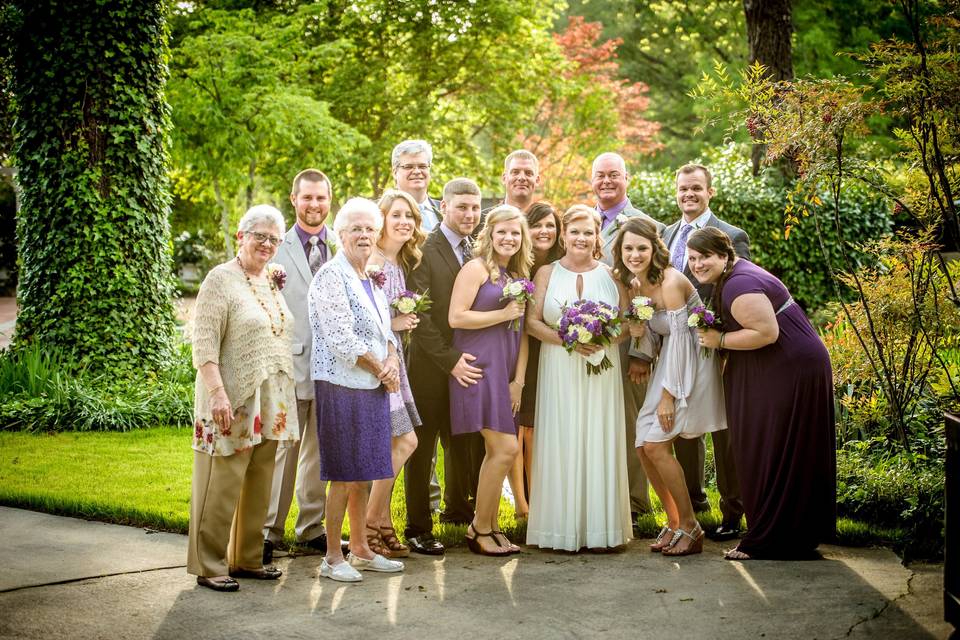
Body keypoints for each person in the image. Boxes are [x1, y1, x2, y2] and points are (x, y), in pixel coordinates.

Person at [687, 227, 836, 560]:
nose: (698, 264)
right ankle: (792, 535)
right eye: (693, 258)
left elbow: (767, 333)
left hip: (787, 369)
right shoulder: (732, 277)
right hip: (786, 367)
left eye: (705, 257)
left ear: (724, 255)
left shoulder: (739, 285)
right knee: (784, 447)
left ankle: (768, 538)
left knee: (769, 447)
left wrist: (719, 340)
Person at [188, 204, 300, 592]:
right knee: (222, 482)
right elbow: (202, 344)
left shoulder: (270, 279)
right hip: (232, 396)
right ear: (241, 236)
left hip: (269, 400)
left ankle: (248, 557)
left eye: (274, 239)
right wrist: (218, 394)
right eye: (260, 236)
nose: (267, 244)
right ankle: (209, 563)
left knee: (260, 480)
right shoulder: (220, 280)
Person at [612, 218, 727, 556]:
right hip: (668, 364)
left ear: (655, 249)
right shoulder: (635, 284)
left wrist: (668, 395)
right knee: (641, 445)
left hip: (691, 364)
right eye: (628, 248)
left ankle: (691, 526)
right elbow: (652, 333)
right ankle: (674, 521)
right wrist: (637, 336)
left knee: (657, 445)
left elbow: (679, 341)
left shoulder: (672, 282)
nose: (635, 254)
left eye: (641, 248)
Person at [309, 197, 405, 582]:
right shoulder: (331, 276)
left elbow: (386, 332)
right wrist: (383, 369)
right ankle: (333, 556)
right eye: (355, 229)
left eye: (369, 229)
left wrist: (392, 361)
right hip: (341, 385)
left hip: (372, 384)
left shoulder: (371, 277)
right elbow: (340, 338)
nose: (364, 235)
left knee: (365, 471)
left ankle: (361, 549)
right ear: (340, 234)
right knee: (345, 473)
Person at [525, 204, 632, 551]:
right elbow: (533, 322)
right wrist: (571, 340)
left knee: (599, 435)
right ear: (564, 235)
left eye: (588, 232)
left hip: (603, 367)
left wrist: (600, 339)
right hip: (559, 366)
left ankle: (602, 530)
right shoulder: (545, 272)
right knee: (562, 436)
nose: (581, 238)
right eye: (575, 231)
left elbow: (629, 321)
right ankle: (559, 529)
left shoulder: (612, 274)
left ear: (597, 236)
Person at [663, 163, 750, 541]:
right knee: (683, 427)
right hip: (674, 348)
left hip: (716, 348)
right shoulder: (665, 234)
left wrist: (714, 335)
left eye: (696, 188)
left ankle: (732, 512)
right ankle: (694, 507)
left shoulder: (732, 235)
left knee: (723, 432)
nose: (689, 195)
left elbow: (734, 291)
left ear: (710, 191)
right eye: (683, 189)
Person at [405, 178, 486, 556]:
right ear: (443, 207)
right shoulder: (425, 250)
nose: (470, 214)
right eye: (462, 207)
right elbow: (419, 317)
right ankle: (418, 527)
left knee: (464, 441)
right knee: (423, 449)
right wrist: (449, 360)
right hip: (430, 366)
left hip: (468, 364)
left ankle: (459, 512)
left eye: (475, 207)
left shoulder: (478, 249)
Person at [262, 169, 337, 565]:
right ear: (294, 199)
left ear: (330, 200)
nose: (314, 205)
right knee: (283, 449)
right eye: (306, 198)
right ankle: (268, 530)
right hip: (288, 364)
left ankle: (311, 527)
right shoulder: (276, 247)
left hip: (332, 367)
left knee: (319, 451)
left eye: (320, 198)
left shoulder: (342, 245)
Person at [448, 205, 532, 555]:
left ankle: (492, 525)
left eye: (516, 233)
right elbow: (456, 317)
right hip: (478, 367)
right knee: (506, 448)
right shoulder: (476, 268)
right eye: (503, 232)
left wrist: (519, 381)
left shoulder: (516, 277)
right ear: (490, 234)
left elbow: (523, 332)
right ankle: (479, 528)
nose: (509, 238)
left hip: (505, 373)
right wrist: (502, 313)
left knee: (496, 450)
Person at [592, 151, 662, 529]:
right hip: (595, 345)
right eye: (600, 175)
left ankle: (636, 502)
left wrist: (641, 352)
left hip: (630, 346)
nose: (607, 181)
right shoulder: (585, 223)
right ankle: (604, 495)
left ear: (627, 178)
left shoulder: (647, 225)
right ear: (592, 181)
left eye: (614, 175)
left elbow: (649, 296)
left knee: (631, 423)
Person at [363, 189, 425, 559]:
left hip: (395, 360)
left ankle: (383, 523)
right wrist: (395, 321)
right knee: (406, 442)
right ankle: (370, 524)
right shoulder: (373, 262)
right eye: (397, 215)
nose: (405, 222)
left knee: (393, 445)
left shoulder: (395, 262)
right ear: (382, 218)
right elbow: (363, 316)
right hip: (378, 367)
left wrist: (402, 324)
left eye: (411, 217)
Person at [510, 202, 563, 518]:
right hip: (520, 352)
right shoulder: (517, 267)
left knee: (542, 430)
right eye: (537, 225)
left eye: (551, 226)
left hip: (554, 353)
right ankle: (521, 505)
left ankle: (543, 498)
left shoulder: (563, 267)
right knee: (521, 428)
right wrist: (518, 377)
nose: (544, 231)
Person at [393, 139, 442, 233]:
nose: (416, 171)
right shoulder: (377, 211)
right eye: (408, 167)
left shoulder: (446, 211)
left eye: (422, 166)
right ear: (395, 172)